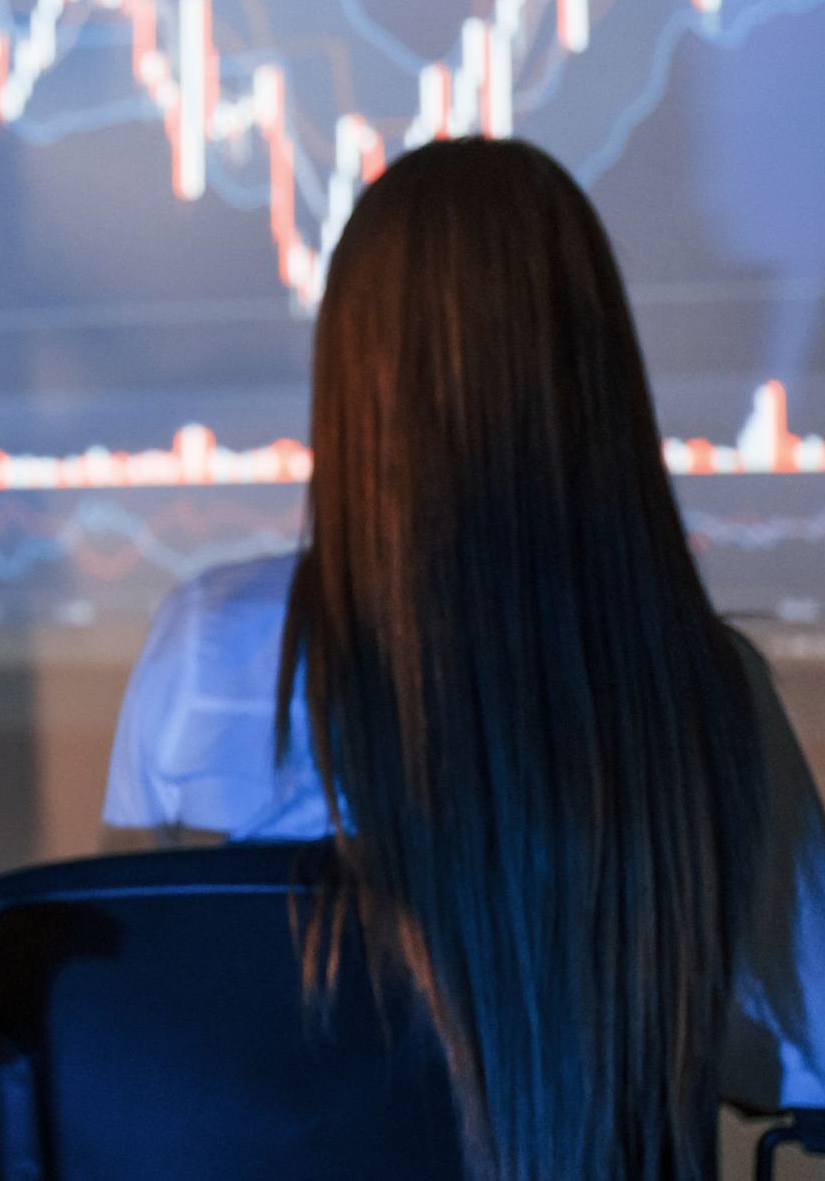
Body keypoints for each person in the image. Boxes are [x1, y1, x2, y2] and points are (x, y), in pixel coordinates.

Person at [101, 138, 824, 1179]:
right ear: (593, 365)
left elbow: (123, 1002)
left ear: (350, 374)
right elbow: (801, 1060)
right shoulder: (706, 692)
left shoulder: (208, 644)